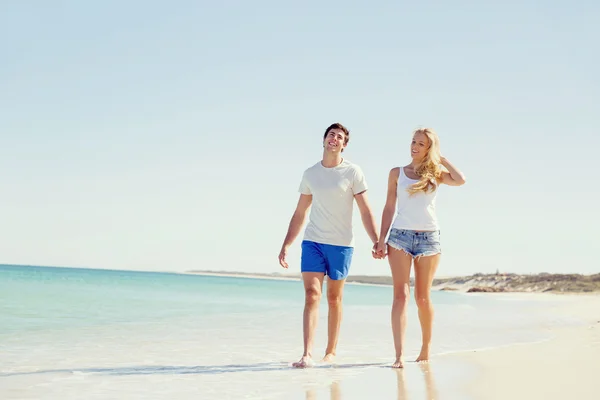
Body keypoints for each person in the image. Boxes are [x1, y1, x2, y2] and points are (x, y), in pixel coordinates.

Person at [278, 122, 380, 368]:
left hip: (342, 244)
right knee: (312, 295)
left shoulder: (353, 172)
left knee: (334, 298)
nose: (335, 138)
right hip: (313, 241)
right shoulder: (310, 174)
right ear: (324, 140)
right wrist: (287, 243)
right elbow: (300, 212)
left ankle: (331, 351)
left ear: (344, 145)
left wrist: (376, 240)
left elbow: (365, 210)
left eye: (340, 137)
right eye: (331, 134)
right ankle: (307, 354)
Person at [374, 127, 466, 368]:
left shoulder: (436, 173)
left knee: (423, 298)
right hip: (399, 237)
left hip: (429, 239)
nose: (414, 146)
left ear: (429, 148)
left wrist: (441, 158)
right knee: (400, 296)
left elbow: (461, 179)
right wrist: (380, 238)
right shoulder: (396, 173)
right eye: (413, 142)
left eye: (421, 144)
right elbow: (388, 207)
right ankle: (399, 355)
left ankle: (426, 347)